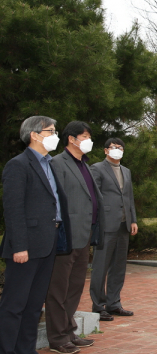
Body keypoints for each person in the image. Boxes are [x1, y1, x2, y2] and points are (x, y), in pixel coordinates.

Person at [0, 116, 72, 354]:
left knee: (33, 307)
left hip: (47, 243)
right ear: (34, 134)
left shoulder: (49, 164)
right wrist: (19, 246)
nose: (55, 135)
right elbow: (13, 209)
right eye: (51, 131)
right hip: (26, 247)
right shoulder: (18, 165)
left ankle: (25, 349)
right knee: (14, 306)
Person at [47, 121, 106, 354]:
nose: (88, 141)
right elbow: (55, 200)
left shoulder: (85, 165)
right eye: (84, 136)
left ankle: (69, 331)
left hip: (85, 234)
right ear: (71, 139)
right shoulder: (57, 163)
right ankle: (57, 338)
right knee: (58, 289)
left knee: (74, 288)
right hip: (66, 236)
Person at [89, 138, 138, 321]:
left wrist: (133, 219)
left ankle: (114, 303)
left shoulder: (126, 171)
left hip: (124, 225)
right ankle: (98, 305)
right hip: (106, 225)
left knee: (119, 267)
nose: (117, 150)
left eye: (120, 147)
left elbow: (129, 197)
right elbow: (95, 196)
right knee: (100, 267)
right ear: (105, 150)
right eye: (113, 147)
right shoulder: (97, 168)